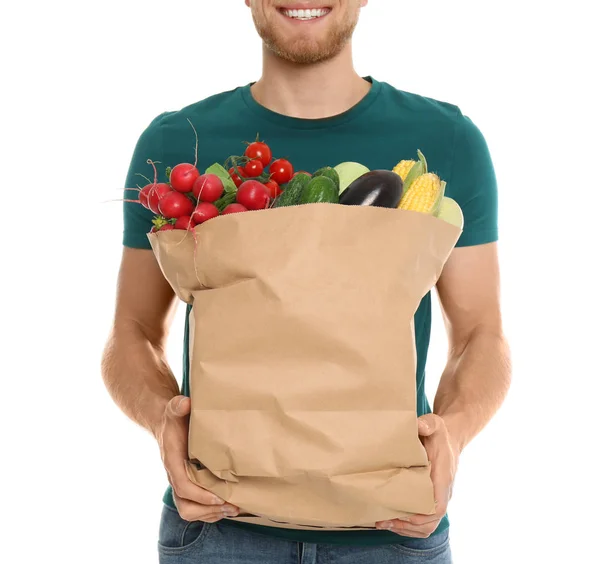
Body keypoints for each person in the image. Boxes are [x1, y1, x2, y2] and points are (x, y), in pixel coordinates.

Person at [101, 1, 512, 562]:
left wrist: (455, 433)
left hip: (391, 527)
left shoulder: (447, 139)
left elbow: (480, 334)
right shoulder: (177, 141)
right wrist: (160, 421)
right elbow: (132, 330)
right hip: (218, 525)